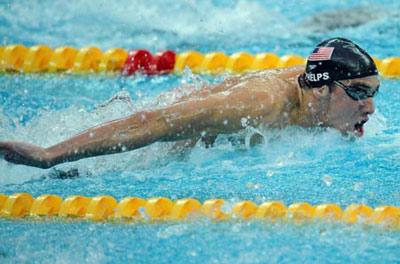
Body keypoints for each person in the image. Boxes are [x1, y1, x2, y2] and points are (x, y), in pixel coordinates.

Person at [0, 37, 380, 169]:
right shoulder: (261, 104)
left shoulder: (323, 94)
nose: (370, 109)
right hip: (160, 145)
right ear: (321, 90)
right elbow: (153, 124)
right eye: (359, 94)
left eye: (373, 93)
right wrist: (49, 155)